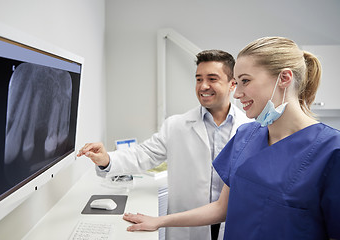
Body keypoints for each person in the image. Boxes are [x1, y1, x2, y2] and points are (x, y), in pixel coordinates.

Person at [121, 37, 340, 240]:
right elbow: (221, 208)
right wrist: (159, 222)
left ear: (284, 78)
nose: (236, 93)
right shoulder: (245, 136)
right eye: (237, 81)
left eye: (245, 81)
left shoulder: (331, 151)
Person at [77, 50, 251, 240]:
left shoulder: (251, 128)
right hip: (187, 228)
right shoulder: (176, 125)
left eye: (212, 78)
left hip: (233, 224)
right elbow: (143, 154)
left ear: (232, 84)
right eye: (198, 79)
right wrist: (106, 159)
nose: (203, 86)